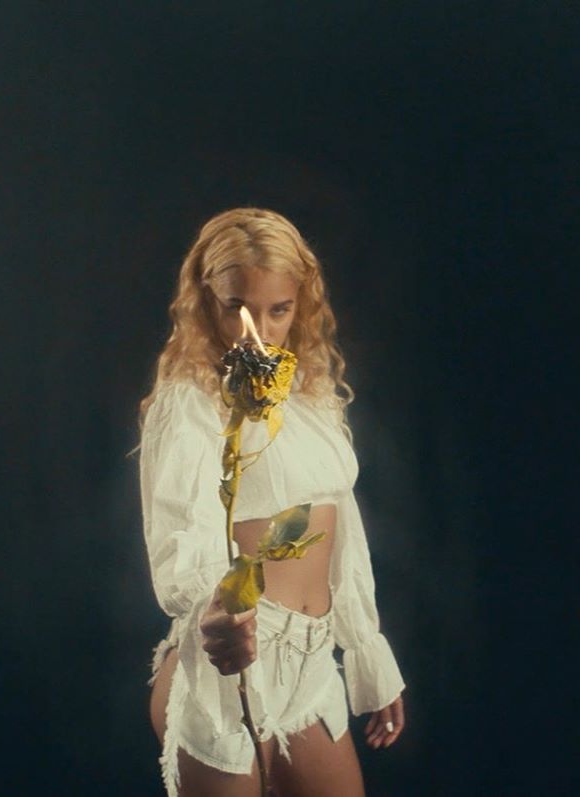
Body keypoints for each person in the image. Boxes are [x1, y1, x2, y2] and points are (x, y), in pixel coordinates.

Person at [138, 208, 406, 797]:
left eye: (277, 310)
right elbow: (180, 537)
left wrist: (366, 649)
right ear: (206, 302)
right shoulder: (189, 402)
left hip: (312, 663)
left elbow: (343, 527)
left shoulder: (312, 394)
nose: (256, 330)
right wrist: (217, 615)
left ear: (300, 304)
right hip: (230, 663)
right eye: (236, 307)